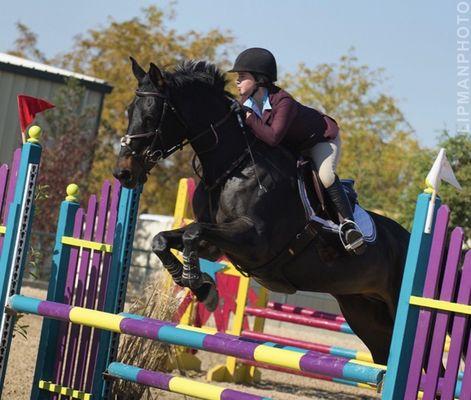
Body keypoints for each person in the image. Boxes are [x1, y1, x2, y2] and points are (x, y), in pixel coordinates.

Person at [228, 47, 365, 255]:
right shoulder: (245, 103)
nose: (237, 81)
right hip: (292, 146)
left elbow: (273, 137)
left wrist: (249, 118)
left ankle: (349, 225)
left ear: (260, 79)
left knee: (326, 175)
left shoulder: (284, 102)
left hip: (320, 141)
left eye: (242, 76)